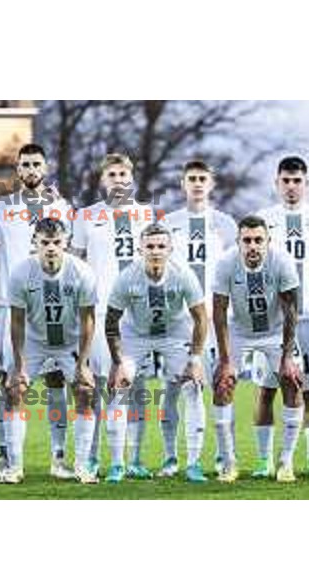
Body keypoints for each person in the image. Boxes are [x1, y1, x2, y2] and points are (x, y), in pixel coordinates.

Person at [0, 143, 72, 481]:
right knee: (8, 381)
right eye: (25, 164)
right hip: (10, 305)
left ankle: (58, 459)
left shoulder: (62, 207)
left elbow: (70, 252)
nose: (31, 169)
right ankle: (5, 458)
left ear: (45, 168)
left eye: (36, 163)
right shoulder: (0, 207)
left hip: (53, 306)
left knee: (56, 378)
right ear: (17, 170)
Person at [72, 153, 156, 478]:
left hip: (138, 314)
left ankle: (129, 460)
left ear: (131, 179)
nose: (118, 180)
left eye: (123, 174)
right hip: (100, 312)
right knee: (97, 389)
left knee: (135, 389)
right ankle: (93, 459)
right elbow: (76, 264)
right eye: (111, 175)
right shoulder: (85, 216)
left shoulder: (146, 214)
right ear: (102, 180)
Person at [104, 223, 208, 483]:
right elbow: (111, 322)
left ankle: (190, 463)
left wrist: (195, 360)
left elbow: (201, 318)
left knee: (191, 387)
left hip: (174, 335)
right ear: (140, 249)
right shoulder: (127, 277)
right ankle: (121, 464)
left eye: (161, 246)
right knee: (122, 388)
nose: (155, 251)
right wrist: (117, 362)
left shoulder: (183, 274)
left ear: (170, 249)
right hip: (135, 335)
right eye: (150, 246)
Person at [257, 156, 309, 476]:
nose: (291, 186)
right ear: (276, 183)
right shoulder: (263, 219)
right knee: (267, 390)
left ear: (307, 184)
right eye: (286, 181)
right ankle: (264, 461)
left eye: (297, 181)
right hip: (274, 323)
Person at [6, 218, 98, 484]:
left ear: (66, 243)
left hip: (69, 343)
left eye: (56, 242)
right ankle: (14, 467)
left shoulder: (82, 272)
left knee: (85, 390)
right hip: (35, 341)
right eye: (44, 242)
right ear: (34, 242)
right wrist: (20, 364)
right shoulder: (21, 273)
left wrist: (82, 364)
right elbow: (17, 321)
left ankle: (81, 466)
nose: (50, 248)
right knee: (16, 389)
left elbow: (88, 321)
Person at [213, 215, 303, 483]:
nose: (253, 246)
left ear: (268, 242)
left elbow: (291, 312)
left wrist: (287, 358)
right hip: (240, 330)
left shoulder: (282, 262)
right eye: (247, 241)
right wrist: (227, 360)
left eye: (258, 240)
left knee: (292, 381)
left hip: (275, 331)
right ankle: (229, 463)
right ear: (238, 243)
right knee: (223, 383)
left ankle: (285, 462)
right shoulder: (226, 263)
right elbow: (218, 311)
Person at [162, 159, 237, 477]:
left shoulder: (226, 224)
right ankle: (171, 458)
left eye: (201, 179)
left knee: (221, 387)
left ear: (212, 184)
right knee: (174, 389)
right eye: (190, 178)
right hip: (178, 320)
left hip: (217, 318)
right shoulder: (168, 222)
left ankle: (224, 457)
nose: (196, 184)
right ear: (182, 183)